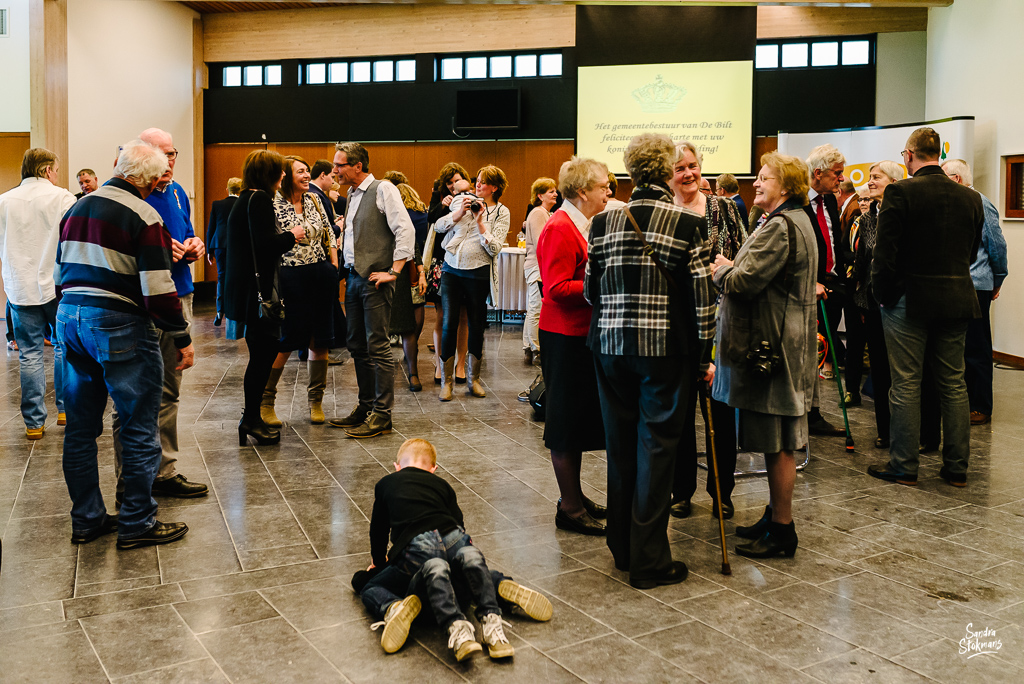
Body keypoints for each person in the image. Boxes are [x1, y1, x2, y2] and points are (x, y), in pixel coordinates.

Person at [586, 133, 714, 588]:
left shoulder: (601, 223)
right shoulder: (688, 224)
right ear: (665, 172)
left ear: (629, 172)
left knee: (620, 449)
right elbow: (703, 301)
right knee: (657, 450)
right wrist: (704, 356)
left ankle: (621, 548)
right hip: (664, 353)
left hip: (609, 349)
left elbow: (589, 291)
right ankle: (649, 561)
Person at [56, 139, 191, 549]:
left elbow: (60, 268)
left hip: (70, 318)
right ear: (146, 180)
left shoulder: (76, 207)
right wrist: (181, 336)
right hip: (118, 325)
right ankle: (137, 521)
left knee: (80, 430)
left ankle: (88, 519)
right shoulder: (145, 214)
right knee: (137, 425)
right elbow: (157, 287)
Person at [712, 151, 818, 559]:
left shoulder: (780, 226)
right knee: (778, 439)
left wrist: (722, 267)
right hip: (785, 342)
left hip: (774, 347)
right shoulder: (795, 221)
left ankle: (782, 529)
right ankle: (774, 515)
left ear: (786, 187)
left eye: (763, 178)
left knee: (778, 442)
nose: (755, 183)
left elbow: (744, 281)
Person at [359, 438, 552, 660]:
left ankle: (396, 608)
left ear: (397, 467)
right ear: (434, 469)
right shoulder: (443, 485)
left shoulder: (387, 483)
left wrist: (378, 561)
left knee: (372, 585)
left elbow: (378, 529)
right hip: (454, 536)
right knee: (466, 561)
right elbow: (458, 521)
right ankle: (495, 599)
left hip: (418, 544)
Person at [868, 127, 984, 488]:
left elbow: (884, 255)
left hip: (909, 301)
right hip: (957, 298)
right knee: (954, 383)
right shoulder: (971, 198)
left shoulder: (900, 192)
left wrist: (883, 295)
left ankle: (904, 465)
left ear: (909, 155)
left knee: (905, 382)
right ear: (939, 153)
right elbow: (970, 250)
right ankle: (957, 467)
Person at [114, 128, 207, 501]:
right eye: (161, 154)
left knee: (170, 390)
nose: (169, 162)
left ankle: (164, 470)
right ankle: (133, 480)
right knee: (134, 396)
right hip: (142, 303)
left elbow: (187, 232)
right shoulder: (128, 197)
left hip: (177, 296)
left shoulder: (178, 192)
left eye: (173, 154)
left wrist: (194, 243)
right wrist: (151, 249)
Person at [668, 141, 748, 520]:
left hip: (720, 325)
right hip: (675, 328)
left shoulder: (725, 208)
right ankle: (681, 490)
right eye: (680, 168)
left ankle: (722, 492)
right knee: (679, 415)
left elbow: (747, 256)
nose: (689, 174)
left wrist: (732, 265)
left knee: (720, 411)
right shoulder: (663, 212)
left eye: (693, 165)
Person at [536, 159, 608, 536]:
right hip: (564, 336)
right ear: (582, 191)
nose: (608, 193)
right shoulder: (561, 227)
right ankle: (570, 507)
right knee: (564, 423)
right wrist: (605, 286)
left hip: (577, 334)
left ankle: (575, 497)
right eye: (603, 187)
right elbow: (557, 289)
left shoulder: (579, 224)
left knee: (576, 421)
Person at [329, 142, 414, 438]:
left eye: (339, 165)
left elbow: (405, 229)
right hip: (353, 278)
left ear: (357, 166)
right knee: (356, 345)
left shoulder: (383, 189)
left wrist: (395, 271)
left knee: (377, 346)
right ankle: (365, 406)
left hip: (374, 280)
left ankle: (382, 413)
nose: (334, 170)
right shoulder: (352, 194)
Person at [224, 151, 303, 445]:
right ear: (269, 174)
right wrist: (292, 234)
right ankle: (251, 420)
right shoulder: (259, 200)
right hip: (257, 294)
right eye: (279, 172)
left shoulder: (243, 198)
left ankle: (252, 419)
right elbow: (265, 245)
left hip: (244, 291)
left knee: (261, 355)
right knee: (262, 357)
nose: (283, 176)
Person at [0, 147, 75, 440]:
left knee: (29, 355)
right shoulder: (63, 198)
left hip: (19, 287)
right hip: (56, 286)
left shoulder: (4, 201)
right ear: (46, 170)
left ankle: (33, 424)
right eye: (55, 169)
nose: (57, 175)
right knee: (63, 348)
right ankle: (65, 410)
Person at [260, 156, 338, 426]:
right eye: (301, 172)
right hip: (289, 276)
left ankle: (315, 401)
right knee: (287, 339)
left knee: (321, 338)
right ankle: (266, 400)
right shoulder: (272, 203)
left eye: (308, 171)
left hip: (320, 273)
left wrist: (334, 264)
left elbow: (329, 232)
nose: (307, 176)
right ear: (285, 176)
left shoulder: (315, 200)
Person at [433, 167, 510, 400]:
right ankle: (446, 383)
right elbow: (437, 226)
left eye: (484, 183)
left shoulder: (501, 211)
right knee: (449, 323)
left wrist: (480, 223)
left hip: (478, 272)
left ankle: (473, 380)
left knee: (477, 325)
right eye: (477, 181)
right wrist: (457, 213)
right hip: (451, 269)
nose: (478, 186)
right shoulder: (461, 200)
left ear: (495, 187)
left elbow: (495, 248)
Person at [942, 158, 1008, 426]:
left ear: (956, 179)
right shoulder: (949, 203)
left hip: (976, 285)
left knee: (976, 348)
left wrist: (998, 279)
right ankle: (960, 403)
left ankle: (980, 406)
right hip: (952, 284)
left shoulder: (980, 202)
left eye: (943, 175)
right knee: (955, 348)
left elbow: (997, 245)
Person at [848, 163, 902, 447]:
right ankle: (885, 430)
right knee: (879, 369)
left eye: (875, 178)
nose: (869, 183)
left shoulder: (905, 214)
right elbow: (862, 259)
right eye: (869, 178)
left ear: (893, 182)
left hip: (899, 303)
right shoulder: (867, 218)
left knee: (901, 372)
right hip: (871, 302)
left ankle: (909, 430)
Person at [803, 143, 848, 437]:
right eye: (837, 173)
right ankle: (805, 412)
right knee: (806, 355)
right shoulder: (797, 202)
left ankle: (814, 412)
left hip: (833, 287)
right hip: (807, 291)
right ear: (818, 173)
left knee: (821, 353)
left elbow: (834, 241)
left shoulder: (830, 201)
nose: (841, 179)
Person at [425, 163, 470, 385]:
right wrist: (443, 206)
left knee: (463, 315)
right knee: (442, 314)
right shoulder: (440, 196)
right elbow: (430, 220)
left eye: (456, 180)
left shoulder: (470, 196)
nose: (453, 186)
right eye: (449, 182)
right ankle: (440, 364)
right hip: (442, 261)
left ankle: (460, 364)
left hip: (464, 260)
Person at [308, 159, 348, 366]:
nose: (333, 180)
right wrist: (339, 227)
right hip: (320, 260)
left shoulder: (316, 195)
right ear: (323, 175)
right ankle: (317, 350)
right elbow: (323, 232)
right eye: (332, 176)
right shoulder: (316, 196)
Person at [390, 182, 429, 392]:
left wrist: (422, 273)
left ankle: (413, 372)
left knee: (413, 327)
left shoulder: (405, 220)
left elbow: (415, 248)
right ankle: (411, 372)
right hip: (392, 277)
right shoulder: (384, 219)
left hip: (410, 275)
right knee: (405, 327)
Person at [522, 177, 557, 365]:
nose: (556, 194)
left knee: (534, 308)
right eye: (551, 191)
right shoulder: (538, 213)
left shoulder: (545, 213)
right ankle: (536, 349)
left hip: (537, 266)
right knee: (536, 308)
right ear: (540, 195)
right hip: (537, 266)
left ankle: (529, 347)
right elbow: (540, 244)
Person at [206, 176, 241, 327]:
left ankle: (220, 311)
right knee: (237, 277)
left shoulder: (217, 204)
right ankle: (236, 311)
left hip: (219, 244)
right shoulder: (242, 204)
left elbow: (211, 228)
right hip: (237, 245)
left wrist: (209, 250)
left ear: (227, 190)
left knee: (222, 277)